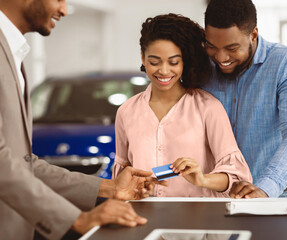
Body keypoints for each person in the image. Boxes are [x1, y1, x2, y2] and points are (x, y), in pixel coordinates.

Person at [0, 1, 165, 239]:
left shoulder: (12, 52)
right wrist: (77, 218)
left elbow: (23, 164)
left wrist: (109, 187)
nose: (64, 10)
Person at [112, 13, 252, 197]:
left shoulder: (208, 107)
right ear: (142, 57)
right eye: (154, 62)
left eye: (173, 62)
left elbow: (237, 177)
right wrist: (134, 184)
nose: (163, 70)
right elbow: (122, 171)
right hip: (144, 216)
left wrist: (202, 179)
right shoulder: (127, 111)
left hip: (198, 219)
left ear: (184, 62)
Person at [203, 0, 287, 198]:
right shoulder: (202, 67)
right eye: (212, 46)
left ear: (253, 34)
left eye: (231, 48)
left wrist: (267, 186)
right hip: (217, 197)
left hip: (281, 194)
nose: (220, 57)